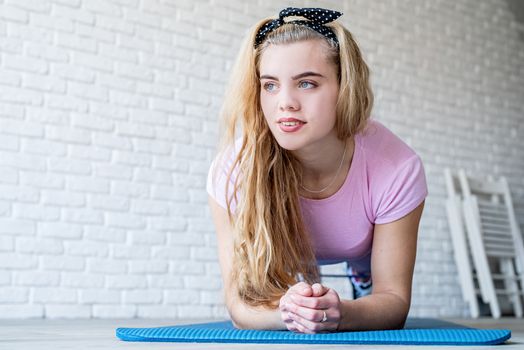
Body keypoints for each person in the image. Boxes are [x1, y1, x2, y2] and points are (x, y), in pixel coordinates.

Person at [207, 7, 427, 333]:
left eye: (306, 83)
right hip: (289, 254)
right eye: (270, 85)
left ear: (344, 86)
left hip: (361, 248)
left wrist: (342, 313)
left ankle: (359, 273)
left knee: (367, 276)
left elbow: (393, 300)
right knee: (297, 291)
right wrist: (291, 311)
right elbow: (240, 305)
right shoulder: (234, 171)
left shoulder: (397, 169)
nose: (285, 103)